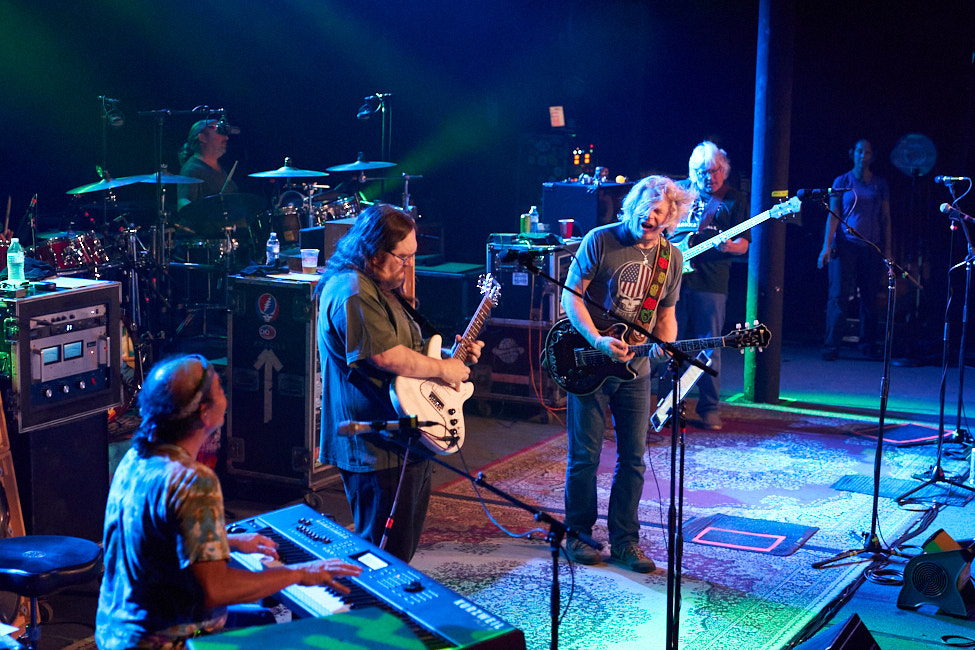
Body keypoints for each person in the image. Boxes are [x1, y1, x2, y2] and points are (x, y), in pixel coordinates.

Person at [96, 355, 362, 649]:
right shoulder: (191, 480)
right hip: (166, 642)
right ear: (205, 413)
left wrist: (228, 541)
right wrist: (299, 573)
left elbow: (154, 536)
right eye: (218, 387)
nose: (225, 391)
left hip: (117, 633)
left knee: (264, 618)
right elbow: (216, 590)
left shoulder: (136, 459)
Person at [316, 203, 483, 563]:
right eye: (402, 257)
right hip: (375, 446)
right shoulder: (353, 291)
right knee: (381, 556)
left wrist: (451, 358)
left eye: (412, 256)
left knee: (398, 551)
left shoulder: (380, 286)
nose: (408, 265)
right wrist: (443, 371)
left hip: (402, 438)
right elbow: (384, 356)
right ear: (374, 252)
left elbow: (407, 351)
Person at [561, 175, 693, 572]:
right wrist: (596, 340)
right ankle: (578, 535)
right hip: (589, 359)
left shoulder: (671, 259)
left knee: (633, 458)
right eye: (644, 209)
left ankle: (624, 541)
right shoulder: (600, 240)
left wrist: (664, 343)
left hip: (636, 370)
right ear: (631, 206)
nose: (650, 218)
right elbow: (571, 295)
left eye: (659, 213)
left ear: (670, 219)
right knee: (585, 456)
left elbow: (666, 317)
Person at [674, 141, 750, 431]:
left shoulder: (733, 199)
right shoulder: (678, 192)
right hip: (673, 280)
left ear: (724, 169)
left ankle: (709, 409)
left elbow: (744, 244)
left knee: (709, 345)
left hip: (712, 281)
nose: (710, 177)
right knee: (670, 344)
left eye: (715, 171)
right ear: (692, 172)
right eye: (703, 172)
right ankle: (669, 406)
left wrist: (730, 246)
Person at [817, 139, 892, 361]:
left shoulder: (880, 184)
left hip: (870, 246)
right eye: (859, 151)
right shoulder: (842, 181)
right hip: (845, 244)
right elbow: (833, 215)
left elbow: (886, 218)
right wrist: (826, 246)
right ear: (853, 153)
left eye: (867, 152)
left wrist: (888, 250)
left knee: (869, 297)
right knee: (838, 295)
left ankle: (868, 344)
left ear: (872, 156)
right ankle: (831, 345)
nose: (863, 156)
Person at [177, 119, 239, 211]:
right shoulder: (192, 169)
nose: (226, 138)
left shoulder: (218, 165)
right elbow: (184, 203)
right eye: (219, 131)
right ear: (202, 138)